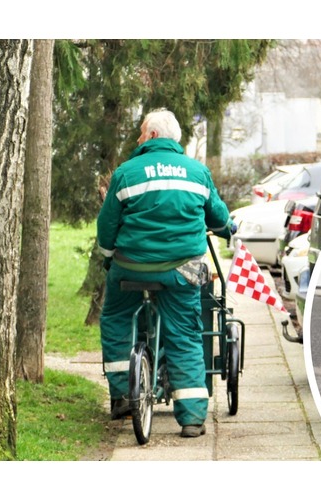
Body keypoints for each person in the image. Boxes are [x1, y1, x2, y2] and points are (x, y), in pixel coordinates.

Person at [97, 108, 234, 438]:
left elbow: (107, 226)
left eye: (142, 132)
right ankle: (191, 418)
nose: (138, 138)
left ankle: (123, 397)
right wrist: (229, 227)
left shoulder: (126, 173)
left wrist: (107, 256)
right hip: (183, 269)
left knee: (116, 316)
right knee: (186, 332)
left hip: (131, 266)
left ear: (154, 136)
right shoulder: (197, 172)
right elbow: (217, 219)